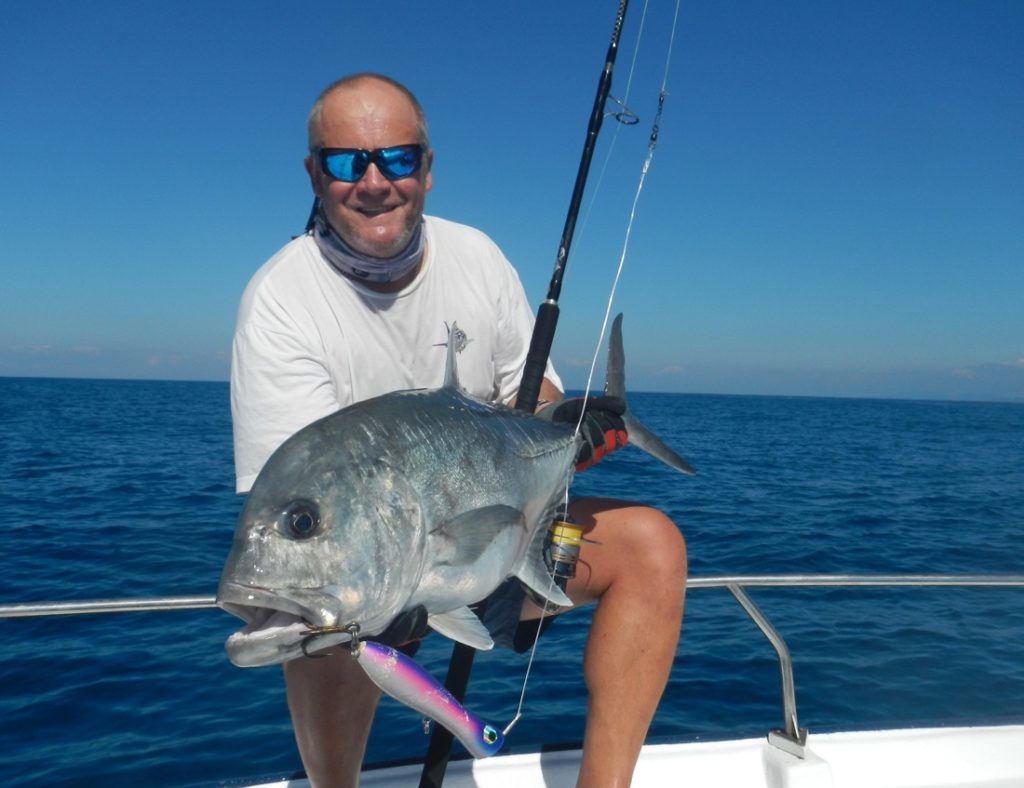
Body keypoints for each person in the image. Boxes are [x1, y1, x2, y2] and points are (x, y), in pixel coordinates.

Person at [230, 72, 687, 788]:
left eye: (398, 158)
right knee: (324, 620)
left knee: (653, 548)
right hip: (383, 566)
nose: (375, 181)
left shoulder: (475, 257)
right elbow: (305, 486)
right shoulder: (281, 302)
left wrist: (565, 427)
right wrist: (396, 583)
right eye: (348, 161)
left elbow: (527, 396)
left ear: (429, 169)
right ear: (315, 173)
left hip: (498, 537)